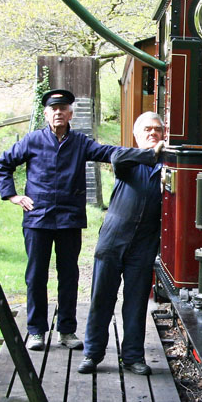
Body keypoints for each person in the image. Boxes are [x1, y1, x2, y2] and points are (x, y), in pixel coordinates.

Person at [0, 90, 164, 352]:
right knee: (36, 275)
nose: (58, 113)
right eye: (53, 109)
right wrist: (13, 195)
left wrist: (149, 154)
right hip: (37, 219)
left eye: (63, 108)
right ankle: (36, 331)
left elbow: (110, 152)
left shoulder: (80, 143)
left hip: (69, 220)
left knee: (69, 275)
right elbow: (4, 163)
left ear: (71, 114)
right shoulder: (32, 141)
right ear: (46, 113)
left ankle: (66, 330)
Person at [77, 111, 167, 376]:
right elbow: (116, 157)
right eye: (147, 130)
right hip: (113, 240)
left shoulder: (169, 167)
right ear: (136, 136)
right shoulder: (128, 158)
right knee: (101, 298)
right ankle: (92, 355)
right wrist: (152, 154)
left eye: (157, 130)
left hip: (144, 244)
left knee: (136, 302)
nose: (153, 133)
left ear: (164, 134)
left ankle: (132, 357)